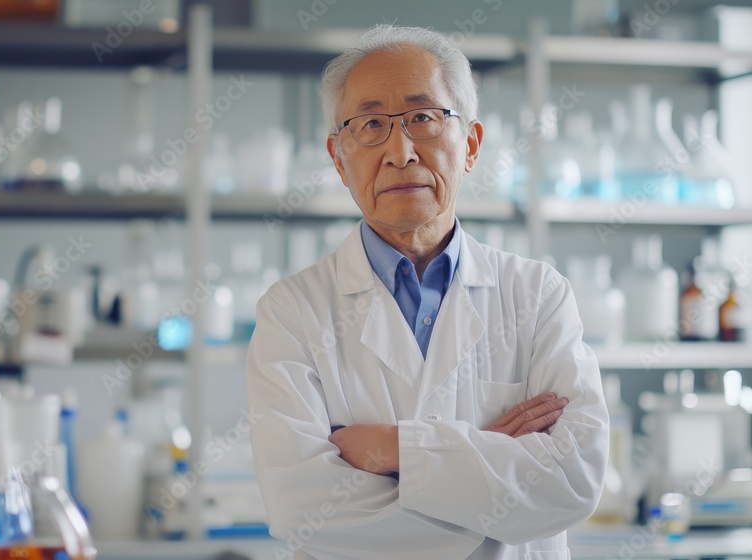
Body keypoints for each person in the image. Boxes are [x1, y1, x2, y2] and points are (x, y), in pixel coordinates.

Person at [246, 24, 609, 560]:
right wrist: (490, 485)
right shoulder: (293, 312)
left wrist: (394, 449)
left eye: (424, 118)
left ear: (471, 145)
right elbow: (302, 510)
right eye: (370, 124)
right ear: (338, 157)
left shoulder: (538, 294)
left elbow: (574, 483)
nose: (400, 151)